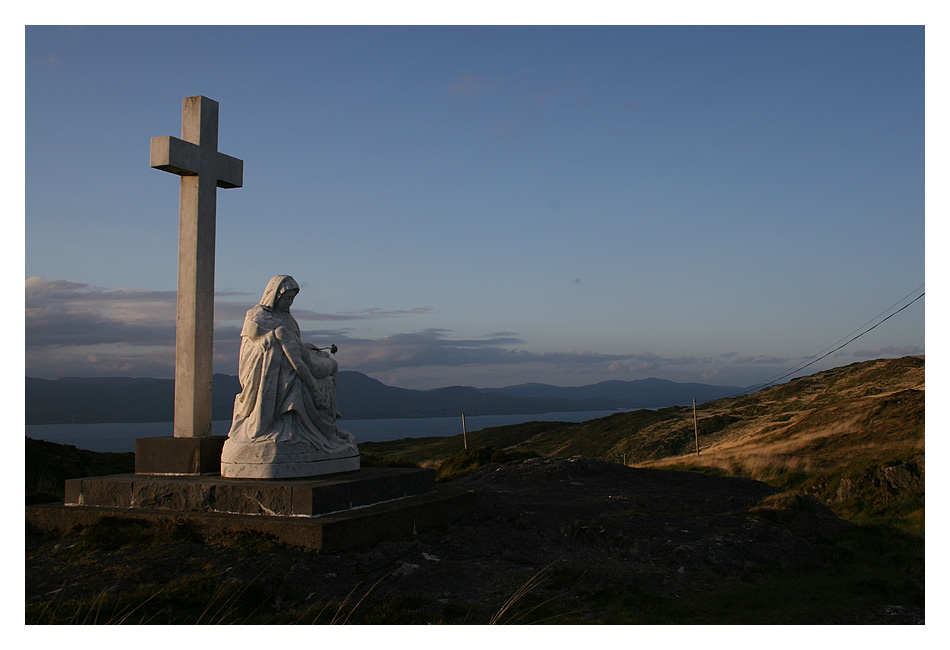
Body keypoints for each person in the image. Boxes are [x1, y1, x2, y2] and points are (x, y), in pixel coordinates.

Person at [221, 275, 358, 478]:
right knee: (329, 366)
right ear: (274, 296)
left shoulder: (288, 319)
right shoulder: (257, 316)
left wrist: (307, 348)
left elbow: (296, 347)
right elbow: (258, 345)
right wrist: (311, 384)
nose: (289, 303)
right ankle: (325, 420)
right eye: (286, 299)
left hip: (296, 359)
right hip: (274, 366)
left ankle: (329, 418)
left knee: (328, 360)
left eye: (292, 299)